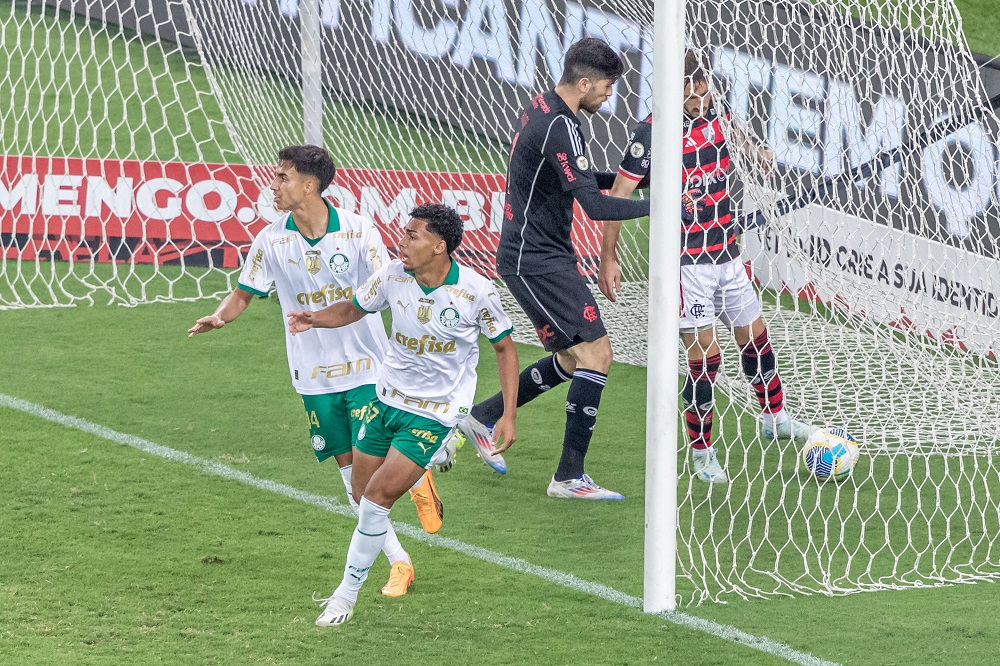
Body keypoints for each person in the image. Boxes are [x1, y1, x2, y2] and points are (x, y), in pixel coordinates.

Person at [188, 145, 449, 602]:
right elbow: (245, 292)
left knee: (374, 474)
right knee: (353, 484)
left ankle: (416, 473)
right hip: (313, 375)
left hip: (368, 367)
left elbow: (388, 282)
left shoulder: (358, 231)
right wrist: (220, 317)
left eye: (283, 177)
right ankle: (400, 561)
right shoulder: (271, 239)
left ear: (309, 185)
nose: (274, 185)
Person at [287, 203, 519, 626]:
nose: (402, 241)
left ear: (439, 246)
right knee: (360, 497)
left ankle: (345, 597)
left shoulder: (476, 291)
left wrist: (508, 415)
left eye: (412, 235)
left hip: (435, 413)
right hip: (387, 401)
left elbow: (504, 348)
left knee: (376, 501)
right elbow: (356, 307)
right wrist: (314, 319)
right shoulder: (394, 275)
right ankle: (428, 467)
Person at [602, 51, 815, 484]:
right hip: (685, 264)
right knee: (706, 360)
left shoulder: (717, 110)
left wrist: (759, 154)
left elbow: (739, 140)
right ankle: (703, 454)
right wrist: (609, 254)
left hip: (726, 253)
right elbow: (619, 193)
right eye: (690, 94)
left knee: (755, 338)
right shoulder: (651, 133)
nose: (699, 100)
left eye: (703, 90)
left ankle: (774, 417)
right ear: (671, 90)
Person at [460, 38, 651, 500]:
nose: (610, 96)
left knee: (572, 358)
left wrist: (642, 182)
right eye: (607, 87)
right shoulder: (560, 126)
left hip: (542, 255)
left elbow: (581, 178)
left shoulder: (545, 108)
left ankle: (482, 417)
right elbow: (593, 204)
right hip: (535, 260)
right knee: (597, 354)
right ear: (584, 82)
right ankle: (568, 477)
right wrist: (661, 206)